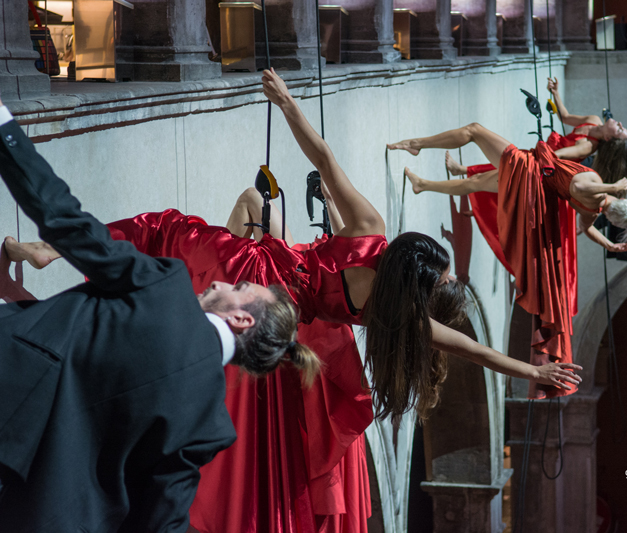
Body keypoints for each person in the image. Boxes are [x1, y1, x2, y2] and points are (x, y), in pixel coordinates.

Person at [9, 69, 582, 533]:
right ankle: (101, 299)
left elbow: (324, 159)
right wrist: (530, 369)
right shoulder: (394, 312)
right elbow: (469, 349)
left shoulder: (371, 230)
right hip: (281, 310)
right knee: (217, 231)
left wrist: (287, 104)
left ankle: (49, 251)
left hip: (257, 272)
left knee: (166, 228)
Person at [0, 100, 317, 532]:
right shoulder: (208, 427)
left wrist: (6, 131)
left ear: (242, 320)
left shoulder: (167, 286)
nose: (220, 283)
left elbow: (68, 223)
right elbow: (161, 523)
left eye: (239, 287)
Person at [388, 122, 627, 399]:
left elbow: (575, 180)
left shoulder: (597, 188)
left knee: (474, 132)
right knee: (476, 184)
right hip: (534, 187)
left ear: (620, 200)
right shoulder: (594, 210)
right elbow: (587, 228)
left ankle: (416, 145)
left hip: (530, 175)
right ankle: (423, 185)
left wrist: (612, 184)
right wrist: (609, 244)